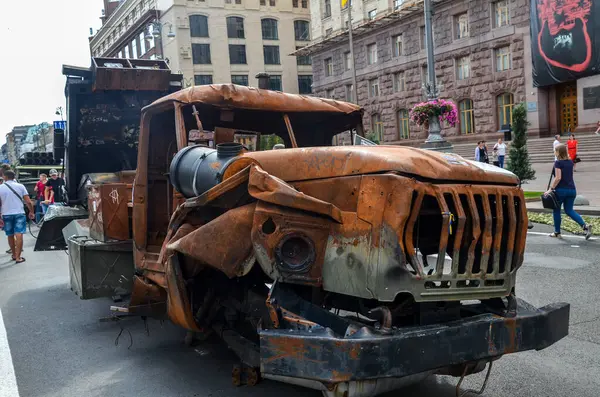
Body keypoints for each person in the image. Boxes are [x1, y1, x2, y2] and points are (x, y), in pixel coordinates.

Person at [545, 144, 593, 240]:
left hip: (561, 190)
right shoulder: (570, 162)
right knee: (569, 210)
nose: (554, 152)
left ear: (558, 152)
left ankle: (557, 232)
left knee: (556, 210)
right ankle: (585, 226)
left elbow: (558, 177)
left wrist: (550, 189)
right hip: (572, 190)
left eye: (555, 150)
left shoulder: (558, 163)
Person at [0, 170, 34, 263]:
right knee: (19, 234)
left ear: (5, 177)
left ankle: (14, 255)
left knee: (10, 235)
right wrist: (31, 212)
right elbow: (28, 201)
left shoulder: (0, 188)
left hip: (6, 214)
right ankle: (19, 257)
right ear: (13, 177)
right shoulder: (20, 186)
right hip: (19, 213)